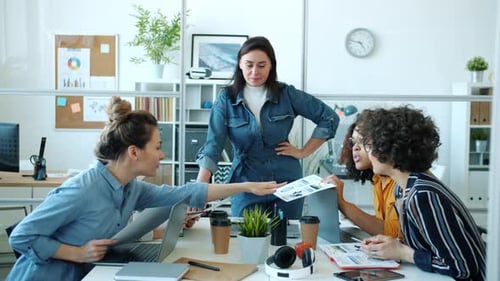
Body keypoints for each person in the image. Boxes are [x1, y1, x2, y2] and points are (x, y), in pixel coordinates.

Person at [7, 97, 284, 281]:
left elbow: (189, 192)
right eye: (157, 146)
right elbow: (21, 237)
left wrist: (247, 186)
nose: (162, 154)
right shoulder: (83, 190)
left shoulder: (131, 188)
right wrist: (77, 253)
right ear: (134, 152)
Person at [195, 36, 339, 219]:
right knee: (246, 237)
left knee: (285, 240)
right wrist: (200, 189)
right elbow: (213, 145)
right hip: (246, 181)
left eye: (262, 65)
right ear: (239, 64)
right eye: (249, 65)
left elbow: (329, 118)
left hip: (287, 182)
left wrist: (303, 152)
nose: (255, 71)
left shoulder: (287, 94)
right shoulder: (226, 98)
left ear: (271, 66)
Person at [356, 106, 485, 280]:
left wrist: (402, 252)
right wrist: (392, 246)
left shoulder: (422, 195)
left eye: (370, 146)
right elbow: (430, 245)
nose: (368, 153)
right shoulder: (405, 188)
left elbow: (462, 267)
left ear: (390, 150)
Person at [324, 121, 400, 237]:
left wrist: (342, 204)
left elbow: (392, 233)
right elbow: (385, 223)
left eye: (363, 142)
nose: (355, 148)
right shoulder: (378, 179)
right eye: (353, 142)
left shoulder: (399, 181)